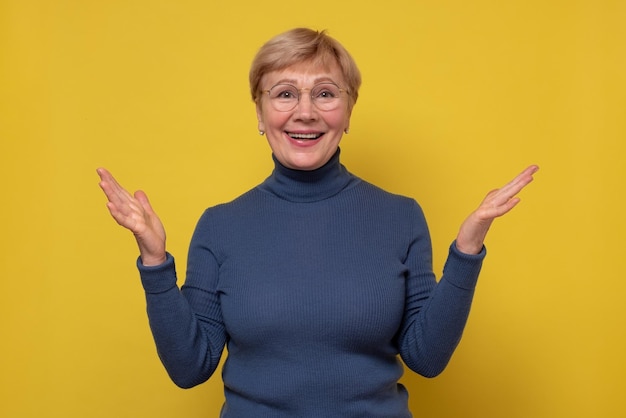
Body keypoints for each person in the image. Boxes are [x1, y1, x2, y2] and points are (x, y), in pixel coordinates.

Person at [97, 27, 538, 417]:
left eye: (325, 93)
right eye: (284, 93)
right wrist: (154, 261)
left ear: (348, 112)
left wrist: (466, 253)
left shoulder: (401, 217)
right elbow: (190, 367)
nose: (304, 112)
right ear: (259, 113)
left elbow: (427, 357)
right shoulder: (220, 226)